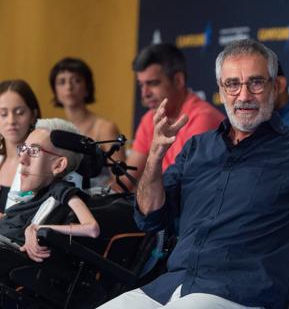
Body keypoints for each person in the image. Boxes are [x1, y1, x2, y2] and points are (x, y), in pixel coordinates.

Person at [99, 39, 289, 309]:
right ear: (220, 89)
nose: (243, 96)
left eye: (255, 83)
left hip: (238, 294)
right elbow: (148, 217)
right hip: (169, 287)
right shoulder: (197, 148)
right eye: (232, 84)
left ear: (274, 87)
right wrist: (155, 157)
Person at [0, 118, 100, 280]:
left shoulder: (60, 189)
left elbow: (91, 228)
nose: (22, 159)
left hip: (9, 254)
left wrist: (37, 228)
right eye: (23, 149)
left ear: (59, 165)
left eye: (34, 151)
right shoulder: (36, 194)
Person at [119, 43, 224, 191]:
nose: (145, 94)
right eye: (141, 85)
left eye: (153, 83)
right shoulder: (150, 118)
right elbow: (126, 180)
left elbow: (183, 187)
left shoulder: (202, 119)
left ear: (178, 81)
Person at [50, 57, 125, 186]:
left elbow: (122, 179)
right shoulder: (55, 130)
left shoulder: (105, 128)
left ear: (87, 87)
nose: (69, 87)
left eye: (76, 81)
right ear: (55, 91)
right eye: (62, 82)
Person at [0, 79, 41, 213]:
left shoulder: (43, 165)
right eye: (3, 114)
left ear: (33, 116)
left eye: (19, 112)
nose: (11, 121)